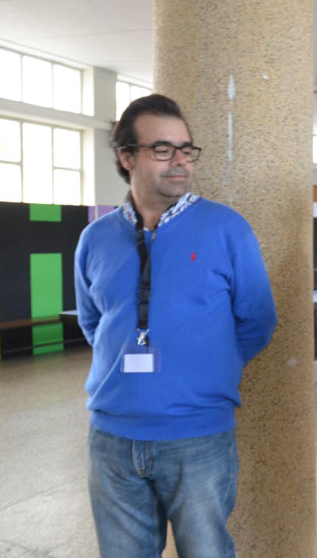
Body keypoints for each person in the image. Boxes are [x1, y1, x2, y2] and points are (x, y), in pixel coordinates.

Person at [74, 94, 277, 558]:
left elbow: (258, 322)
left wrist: (208, 370)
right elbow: (94, 323)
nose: (180, 161)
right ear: (127, 157)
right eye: (163, 149)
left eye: (186, 149)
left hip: (198, 435)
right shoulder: (95, 238)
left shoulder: (227, 229)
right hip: (111, 436)